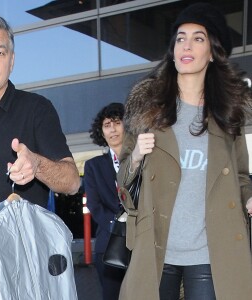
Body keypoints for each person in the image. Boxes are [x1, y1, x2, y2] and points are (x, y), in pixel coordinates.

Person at [117, 2, 252, 300]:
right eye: (180, 38)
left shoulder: (228, 114)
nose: (186, 45)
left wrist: (249, 197)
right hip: (156, 247)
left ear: (213, 52)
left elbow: (241, 176)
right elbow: (124, 182)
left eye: (198, 38)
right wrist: (137, 155)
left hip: (210, 251)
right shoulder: (147, 108)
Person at [0, 13, 80, 299]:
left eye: (0, 52)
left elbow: (71, 181)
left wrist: (37, 164)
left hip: (20, 274)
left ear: (11, 60)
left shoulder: (36, 110)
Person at [84, 103, 126, 300]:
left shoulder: (143, 159)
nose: (112, 129)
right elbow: (94, 205)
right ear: (101, 131)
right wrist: (118, 226)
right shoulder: (93, 166)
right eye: (107, 125)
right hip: (109, 245)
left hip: (143, 242)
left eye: (117, 123)